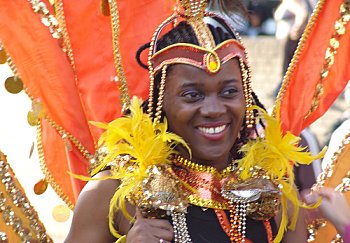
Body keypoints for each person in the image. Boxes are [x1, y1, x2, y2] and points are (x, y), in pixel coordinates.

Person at [64, 1, 324, 242]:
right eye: (192, 95)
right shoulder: (115, 193)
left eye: (229, 91)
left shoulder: (275, 191)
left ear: (246, 96)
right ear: (161, 103)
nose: (213, 109)